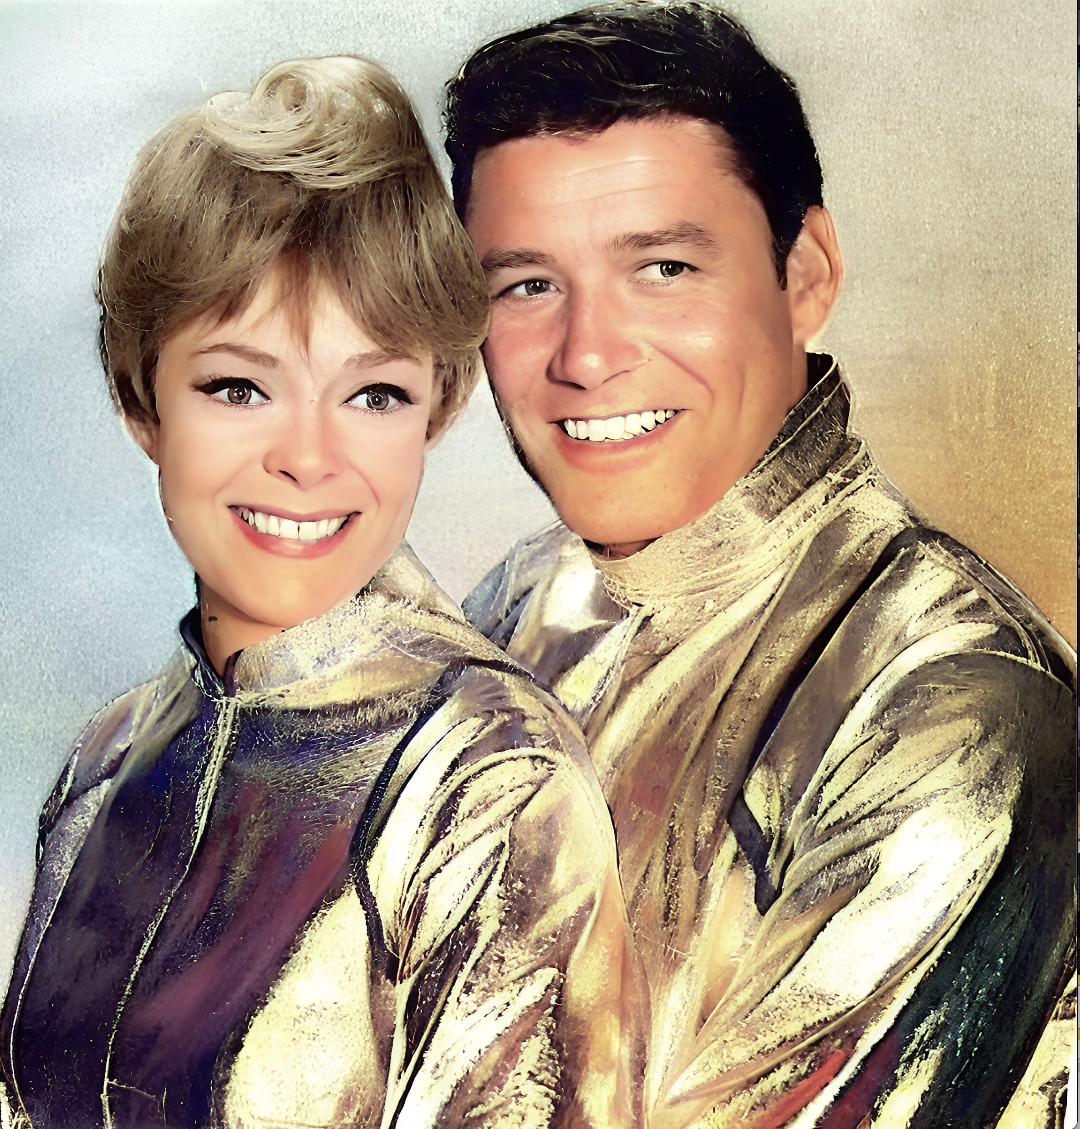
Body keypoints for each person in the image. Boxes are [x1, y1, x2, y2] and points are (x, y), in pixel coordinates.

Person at [444, 3, 1076, 1126]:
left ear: (807, 275)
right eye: (527, 284)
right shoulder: (517, 603)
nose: (586, 355)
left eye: (663, 267)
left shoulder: (956, 701)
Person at [0, 55, 640, 1128]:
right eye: (239, 386)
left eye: (374, 393)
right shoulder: (104, 769)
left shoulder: (487, 781)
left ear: (436, 409)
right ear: (141, 400)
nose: (308, 457)